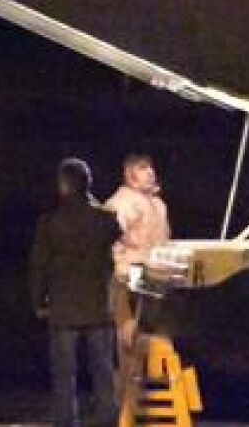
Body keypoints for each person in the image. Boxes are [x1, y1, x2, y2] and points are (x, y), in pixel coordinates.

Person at [29, 158, 120, 427]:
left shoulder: (50, 223)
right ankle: (106, 420)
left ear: (63, 185)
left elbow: (39, 265)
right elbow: (115, 234)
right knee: (103, 371)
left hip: (63, 308)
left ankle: (66, 421)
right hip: (98, 306)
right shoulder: (104, 220)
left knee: (64, 374)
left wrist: (38, 300)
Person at [105, 152, 171, 358]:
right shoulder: (124, 202)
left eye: (150, 167)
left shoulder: (158, 204)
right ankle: (124, 379)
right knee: (129, 331)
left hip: (153, 271)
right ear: (130, 174)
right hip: (129, 272)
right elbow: (109, 239)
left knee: (150, 326)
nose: (150, 172)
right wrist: (121, 269)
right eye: (143, 168)